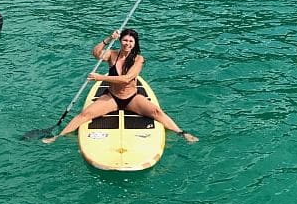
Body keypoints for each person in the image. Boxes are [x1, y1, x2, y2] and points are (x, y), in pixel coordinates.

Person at [43, 28, 198, 144]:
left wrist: (100, 78)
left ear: (135, 44)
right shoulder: (112, 54)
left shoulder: (139, 59)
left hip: (131, 98)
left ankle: (182, 133)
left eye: (131, 41)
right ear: (120, 40)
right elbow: (96, 53)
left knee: (157, 111)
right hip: (112, 97)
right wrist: (109, 38)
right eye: (125, 40)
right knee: (85, 115)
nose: (127, 43)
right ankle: (58, 136)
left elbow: (127, 79)